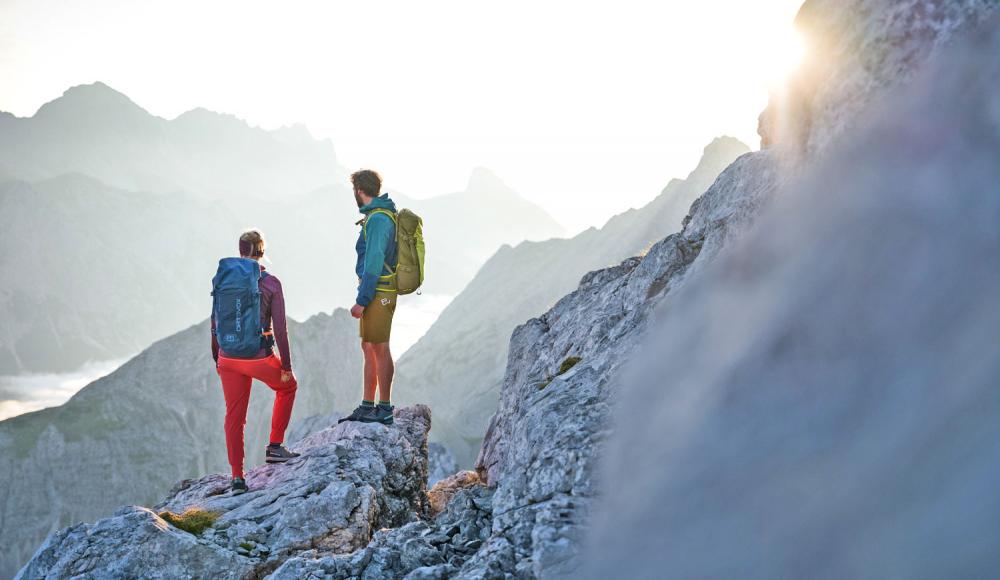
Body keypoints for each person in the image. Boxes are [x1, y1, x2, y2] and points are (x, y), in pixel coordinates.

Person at [212, 229, 300, 495]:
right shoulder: (271, 283)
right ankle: (275, 447)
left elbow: (215, 320)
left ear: (240, 250)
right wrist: (286, 366)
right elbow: (281, 329)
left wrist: (217, 356)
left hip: (227, 358)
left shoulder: (223, 278)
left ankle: (237, 478)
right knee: (288, 387)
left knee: (234, 417)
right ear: (262, 251)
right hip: (257, 358)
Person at [339, 169, 398, 426]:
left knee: (380, 347)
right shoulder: (378, 216)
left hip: (380, 291)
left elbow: (374, 262)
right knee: (369, 346)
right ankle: (367, 405)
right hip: (377, 288)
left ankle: (383, 408)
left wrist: (362, 301)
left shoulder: (378, 220)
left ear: (359, 191)